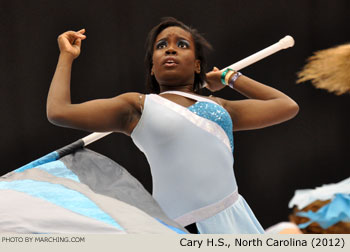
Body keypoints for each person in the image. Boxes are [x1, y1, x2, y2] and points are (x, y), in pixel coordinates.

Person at [47, 17, 299, 234]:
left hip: (234, 219)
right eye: (161, 46)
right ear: (153, 69)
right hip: (178, 227)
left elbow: (286, 106)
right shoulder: (137, 106)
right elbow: (59, 112)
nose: (170, 49)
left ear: (197, 64)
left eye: (181, 44)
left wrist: (229, 77)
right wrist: (66, 57)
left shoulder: (221, 107)